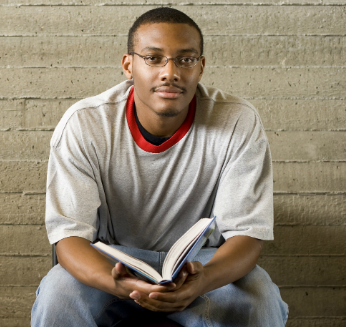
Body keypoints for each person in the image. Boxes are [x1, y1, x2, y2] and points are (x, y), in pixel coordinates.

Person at [32, 7, 289, 327]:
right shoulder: (86, 124)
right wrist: (116, 284)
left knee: (259, 296)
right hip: (113, 262)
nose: (170, 72)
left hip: (200, 264)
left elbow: (248, 236)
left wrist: (204, 279)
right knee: (59, 292)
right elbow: (69, 237)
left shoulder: (237, 120)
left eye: (185, 59)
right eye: (153, 58)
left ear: (201, 67)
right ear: (129, 65)